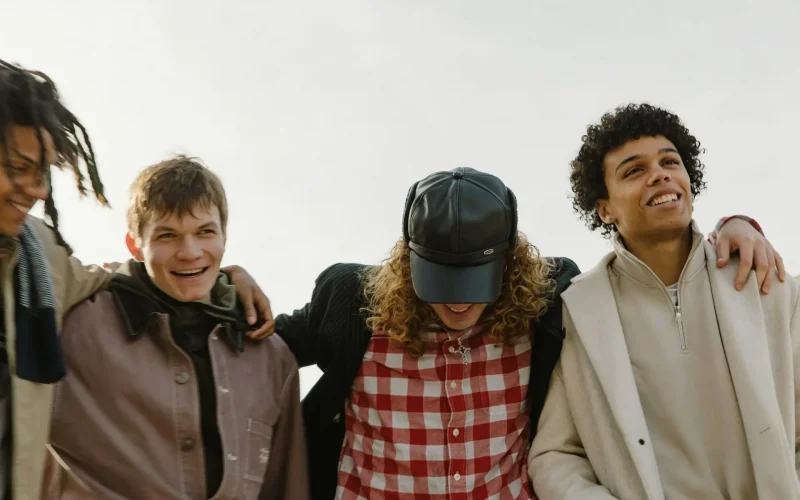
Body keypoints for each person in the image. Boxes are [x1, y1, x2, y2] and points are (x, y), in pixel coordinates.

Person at [275, 166, 779, 499]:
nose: (456, 300)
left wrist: (734, 225)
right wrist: (223, 284)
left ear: (511, 262)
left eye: (473, 280)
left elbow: (646, 282)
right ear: (408, 263)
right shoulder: (351, 302)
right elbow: (260, 346)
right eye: (440, 279)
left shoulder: (549, 301)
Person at [0, 60, 272, 500]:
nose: (38, 190)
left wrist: (224, 280)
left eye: (43, 170)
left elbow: (135, 277)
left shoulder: (42, 259)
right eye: (17, 166)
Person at [528, 103, 797, 499]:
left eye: (670, 161)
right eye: (634, 170)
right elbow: (555, 454)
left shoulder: (766, 285)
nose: (659, 174)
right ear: (604, 209)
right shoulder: (579, 314)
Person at [42, 156, 308, 499]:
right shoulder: (73, 326)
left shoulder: (272, 358)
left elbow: (288, 485)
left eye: (205, 232)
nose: (190, 252)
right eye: (167, 235)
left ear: (224, 236)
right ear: (135, 245)